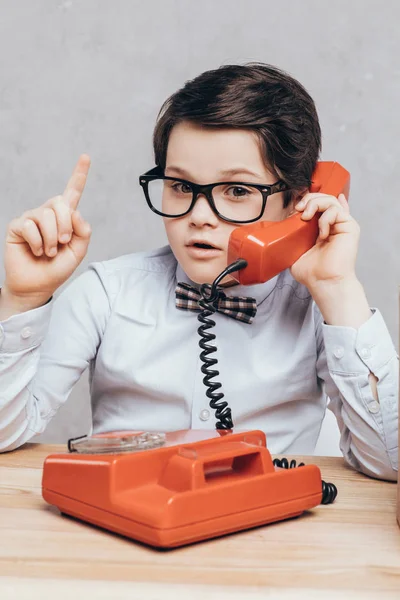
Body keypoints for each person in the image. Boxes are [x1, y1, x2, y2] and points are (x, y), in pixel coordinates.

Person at [0, 63, 397, 480]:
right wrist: (22, 298)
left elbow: (389, 464)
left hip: (274, 534)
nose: (200, 216)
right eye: (182, 186)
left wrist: (337, 290)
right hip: (128, 526)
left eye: (238, 191)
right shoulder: (106, 294)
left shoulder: (318, 309)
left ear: (300, 202)